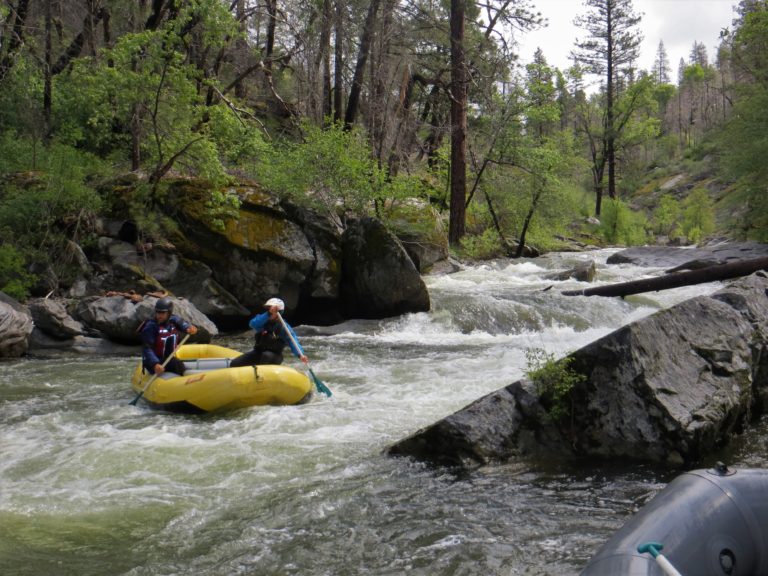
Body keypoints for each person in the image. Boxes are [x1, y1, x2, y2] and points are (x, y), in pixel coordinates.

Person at [230, 297, 309, 368]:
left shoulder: (284, 327)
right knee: (234, 363)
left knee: (266, 356)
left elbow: (293, 341)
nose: (268, 310)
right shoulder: (262, 320)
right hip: (258, 352)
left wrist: (300, 355)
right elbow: (252, 324)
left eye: (270, 309)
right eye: (268, 309)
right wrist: (268, 313)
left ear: (279, 312)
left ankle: (261, 375)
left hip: (275, 356)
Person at [141, 297, 198, 376]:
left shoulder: (174, 320)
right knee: (177, 364)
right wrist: (155, 364)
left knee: (176, 364)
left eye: (163, 313)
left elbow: (185, 326)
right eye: (158, 312)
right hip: (153, 362)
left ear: (169, 313)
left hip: (168, 359)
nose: (159, 315)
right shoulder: (151, 327)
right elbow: (147, 349)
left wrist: (190, 329)